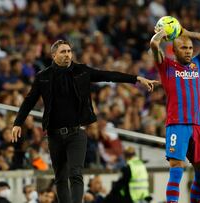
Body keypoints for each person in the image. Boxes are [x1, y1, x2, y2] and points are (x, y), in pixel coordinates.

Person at [10, 40, 158, 203]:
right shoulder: (43, 77)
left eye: (69, 51)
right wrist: (18, 122)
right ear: (54, 55)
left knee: (75, 173)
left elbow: (108, 75)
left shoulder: (81, 71)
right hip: (54, 134)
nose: (67, 54)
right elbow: (29, 100)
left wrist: (136, 78)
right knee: (60, 176)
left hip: (76, 133)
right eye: (63, 52)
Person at [150, 25, 200, 203]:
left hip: (196, 125)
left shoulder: (197, 64)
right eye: (183, 48)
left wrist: (188, 33)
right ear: (174, 50)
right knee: (176, 168)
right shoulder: (166, 66)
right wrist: (162, 33)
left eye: (190, 48)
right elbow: (154, 44)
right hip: (177, 124)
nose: (188, 51)